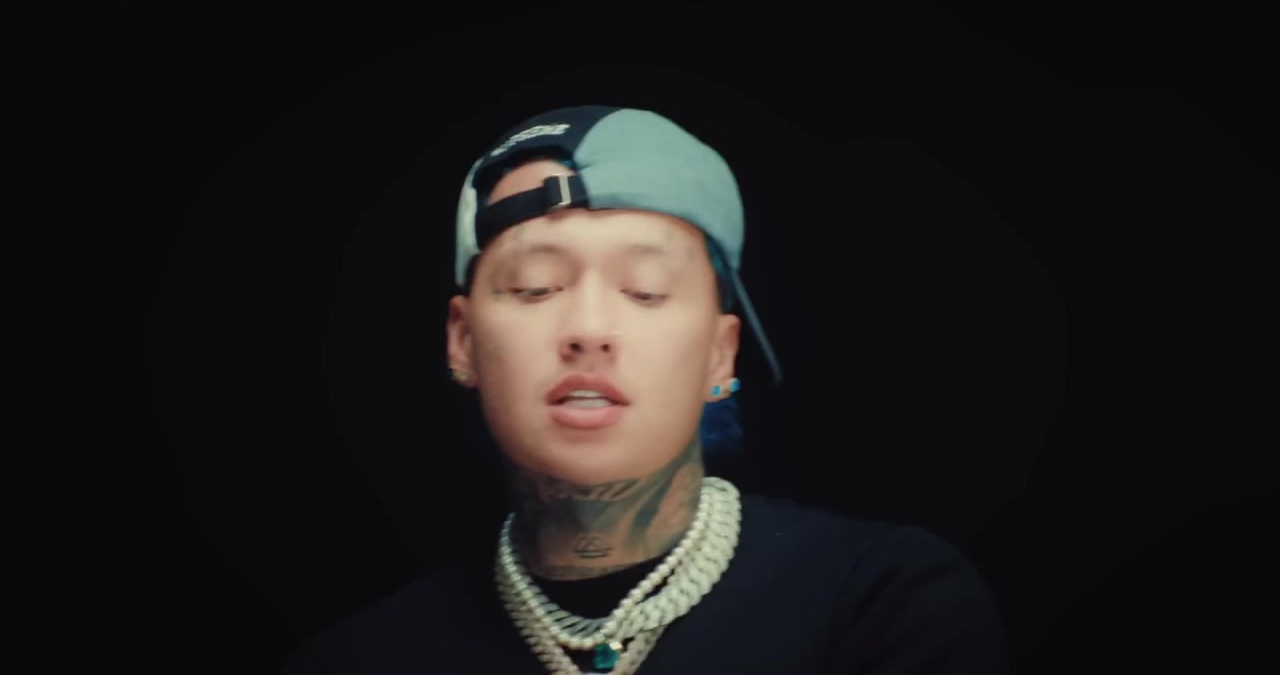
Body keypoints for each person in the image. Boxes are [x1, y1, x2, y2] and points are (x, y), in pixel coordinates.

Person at [281, 105, 1009, 673]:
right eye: (536, 287)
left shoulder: (883, 604)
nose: (589, 330)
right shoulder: (357, 661)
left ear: (720, 354)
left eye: (646, 290)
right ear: (462, 342)